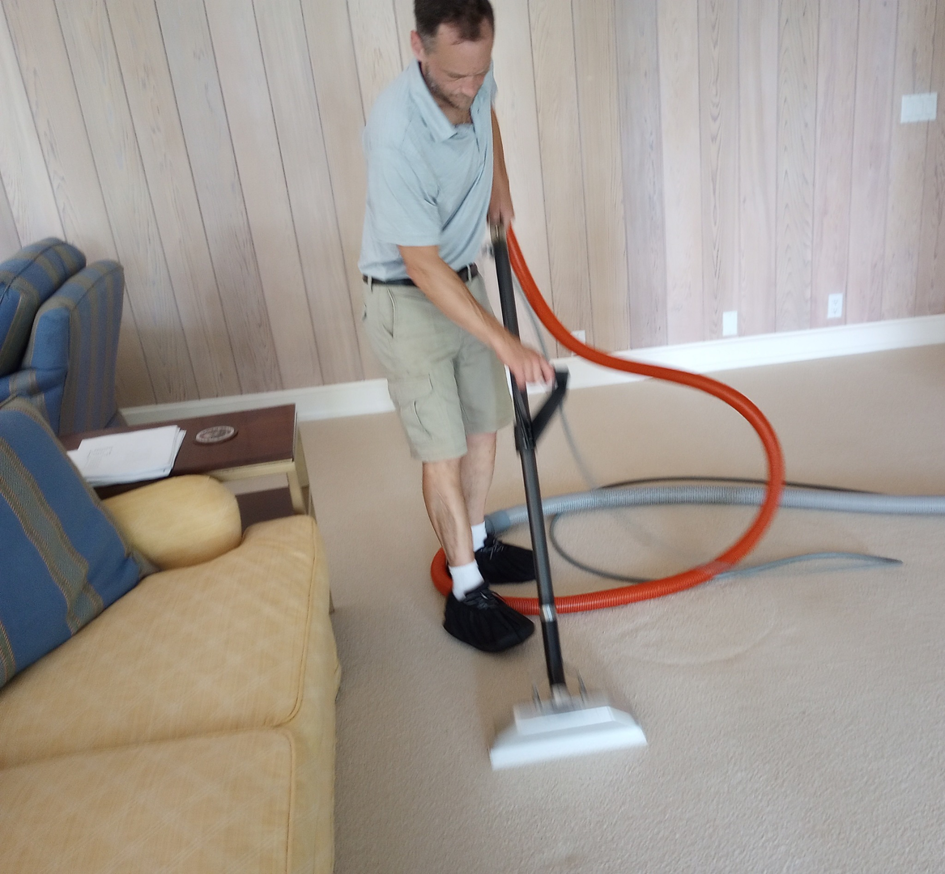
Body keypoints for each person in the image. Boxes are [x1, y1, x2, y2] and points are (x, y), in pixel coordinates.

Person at [359, 0, 555, 653]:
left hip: (460, 281)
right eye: (454, 79)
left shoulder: (474, 75)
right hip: (407, 295)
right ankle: (465, 590)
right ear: (418, 47)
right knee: (441, 447)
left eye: (480, 72)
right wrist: (504, 341)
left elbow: (488, 109)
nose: (470, 89)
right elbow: (420, 264)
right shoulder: (394, 133)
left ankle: (473, 540)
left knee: (482, 428)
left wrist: (497, 181)